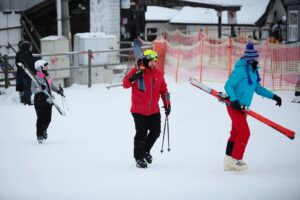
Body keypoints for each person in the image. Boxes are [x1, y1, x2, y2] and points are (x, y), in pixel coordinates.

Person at [223, 42, 282, 171]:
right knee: (245, 132)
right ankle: (236, 160)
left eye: (255, 59)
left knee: (236, 132)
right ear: (247, 59)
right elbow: (228, 85)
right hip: (234, 106)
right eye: (252, 59)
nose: (254, 61)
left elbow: (258, 89)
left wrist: (274, 96)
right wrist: (234, 100)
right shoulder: (240, 70)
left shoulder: (254, 72)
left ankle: (228, 161)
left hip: (243, 108)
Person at [123, 49, 171, 168]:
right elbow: (125, 84)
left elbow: (164, 90)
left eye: (155, 61)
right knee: (141, 133)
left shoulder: (158, 74)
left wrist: (168, 104)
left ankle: (145, 151)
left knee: (155, 132)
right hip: (139, 110)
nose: (154, 64)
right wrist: (133, 77)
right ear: (145, 60)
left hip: (154, 110)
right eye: (152, 62)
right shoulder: (137, 70)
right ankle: (139, 158)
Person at [31, 60, 64, 144]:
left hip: (49, 99)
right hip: (39, 100)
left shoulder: (47, 75)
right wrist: (40, 88)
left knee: (48, 119)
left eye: (46, 66)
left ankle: (44, 130)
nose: (46, 67)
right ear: (40, 68)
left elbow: (51, 85)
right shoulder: (36, 78)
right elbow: (33, 90)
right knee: (41, 118)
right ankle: (40, 135)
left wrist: (58, 90)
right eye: (45, 66)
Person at [19, 41, 36, 105]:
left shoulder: (25, 54)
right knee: (28, 87)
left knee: (28, 87)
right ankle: (27, 101)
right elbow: (31, 64)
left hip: (26, 74)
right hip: (27, 74)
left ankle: (26, 100)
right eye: (30, 47)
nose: (31, 48)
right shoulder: (26, 55)